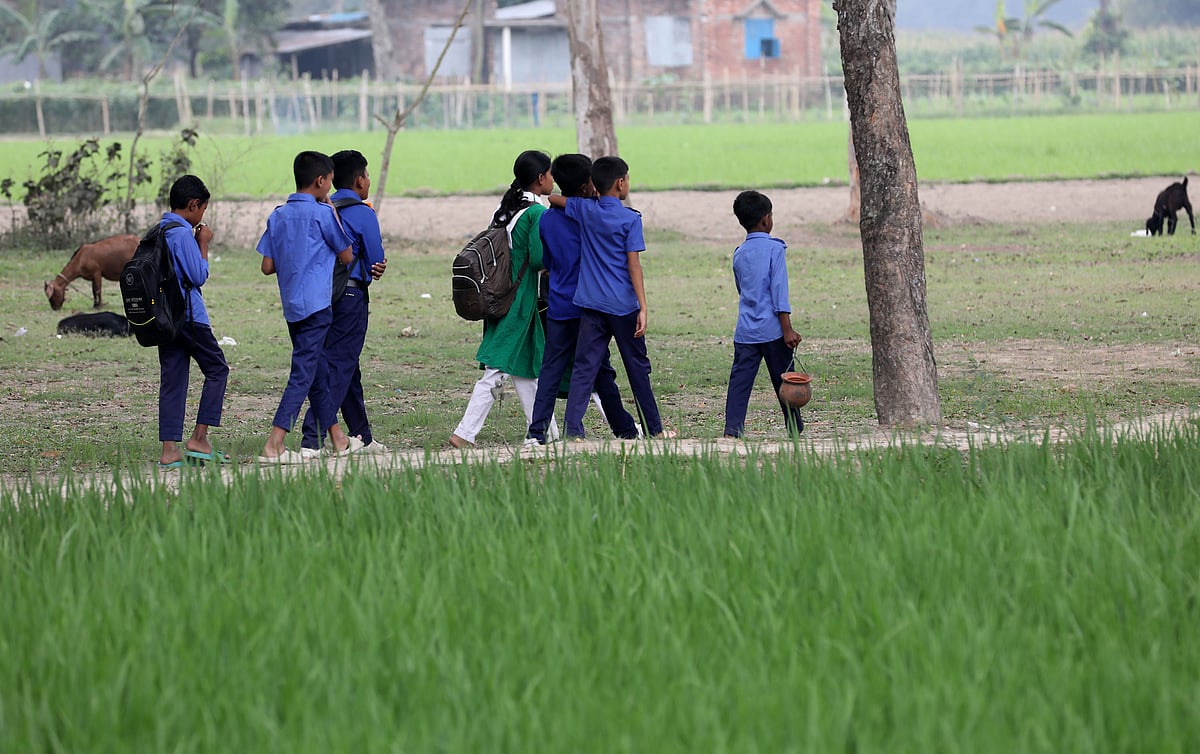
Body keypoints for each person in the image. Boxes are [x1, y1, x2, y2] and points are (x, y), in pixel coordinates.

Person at [548, 156, 673, 440]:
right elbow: (634, 265)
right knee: (637, 368)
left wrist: (575, 198)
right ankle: (654, 428)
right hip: (623, 306)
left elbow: (555, 199)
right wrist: (643, 306)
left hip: (591, 304)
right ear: (620, 183)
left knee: (584, 368)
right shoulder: (630, 219)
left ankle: (573, 431)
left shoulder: (584, 210)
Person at [523, 153, 639, 447]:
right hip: (590, 307)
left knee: (551, 369)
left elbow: (547, 261)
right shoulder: (591, 218)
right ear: (589, 184)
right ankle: (624, 430)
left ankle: (536, 432)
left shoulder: (548, 220)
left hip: (559, 305)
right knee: (601, 371)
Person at [256, 150, 363, 464]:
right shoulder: (323, 213)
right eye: (329, 183)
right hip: (318, 306)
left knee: (316, 371)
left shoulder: (277, 215)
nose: (330, 189)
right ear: (321, 181)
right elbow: (347, 256)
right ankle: (275, 443)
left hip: (292, 306)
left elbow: (267, 265)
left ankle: (338, 439)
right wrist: (331, 212)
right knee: (303, 374)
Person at [449, 150, 558, 448]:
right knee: (497, 367)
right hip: (519, 299)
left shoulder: (509, 206)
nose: (553, 180)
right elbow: (538, 258)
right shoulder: (537, 213)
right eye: (550, 174)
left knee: (526, 367)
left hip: (501, 294)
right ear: (540, 178)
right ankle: (464, 433)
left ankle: (545, 433)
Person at [299, 149, 389, 456]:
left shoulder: (324, 208)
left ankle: (361, 435)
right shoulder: (363, 212)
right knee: (341, 363)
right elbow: (376, 259)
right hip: (351, 295)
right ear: (361, 179)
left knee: (346, 365)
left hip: (322, 295)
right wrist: (377, 265)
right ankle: (312, 437)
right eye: (366, 174)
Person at [156, 174, 231, 469]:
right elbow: (198, 276)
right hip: (190, 318)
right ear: (193, 204)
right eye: (203, 209)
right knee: (217, 370)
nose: (202, 216)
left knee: (173, 380)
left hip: (166, 319)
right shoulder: (180, 233)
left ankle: (169, 450)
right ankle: (199, 438)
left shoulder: (159, 230)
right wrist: (203, 243)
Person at [722, 190, 804, 439]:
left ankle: (732, 430)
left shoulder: (739, 253)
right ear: (766, 219)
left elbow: (742, 289)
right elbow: (778, 290)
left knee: (740, 382)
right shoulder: (775, 250)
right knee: (784, 380)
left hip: (746, 330)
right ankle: (795, 429)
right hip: (773, 330)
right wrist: (787, 328)